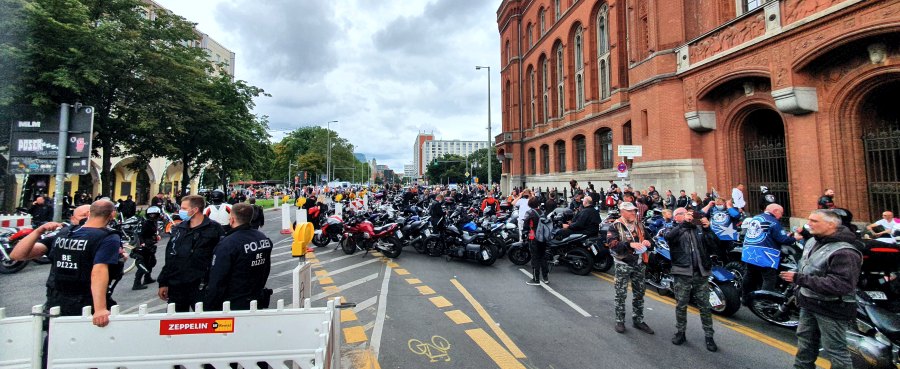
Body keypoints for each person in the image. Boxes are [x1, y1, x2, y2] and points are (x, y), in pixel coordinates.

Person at [11, 200, 122, 327]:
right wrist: (38, 231)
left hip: (58, 303)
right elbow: (17, 255)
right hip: (82, 302)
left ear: (90, 214)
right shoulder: (106, 237)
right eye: (81, 216)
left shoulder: (64, 234)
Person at [780, 210, 862, 369]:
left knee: (835, 350)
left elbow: (841, 285)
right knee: (805, 343)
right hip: (809, 302)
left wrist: (799, 279)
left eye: (814, 221)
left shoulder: (845, 251)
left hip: (831, 307)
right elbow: (806, 267)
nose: (808, 224)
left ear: (831, 225)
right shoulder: (812, 241)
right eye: (809, 220)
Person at [157, 195, 225, 312]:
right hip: (177, 285)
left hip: (201, 286)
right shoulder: (179, 229)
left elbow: (221, 258)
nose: (180, 211)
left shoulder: (214, 229)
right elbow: (170, 257)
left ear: (195, 210)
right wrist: (163, 282)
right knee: (176, 324)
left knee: (204, 324)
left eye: (184, 208)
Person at [664, 208, 719, 351]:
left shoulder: (700, 229)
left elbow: (714, 246)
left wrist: (708, 229)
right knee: (681, 305)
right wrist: (683, 225)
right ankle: (680, 332)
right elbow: (669, 238)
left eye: (691, 214)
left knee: (705, 306)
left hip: (701, 273)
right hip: (682, 273)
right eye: (685, 214)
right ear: (678, 217)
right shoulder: (674, 228)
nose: (689, 216)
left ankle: (709, 336)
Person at [204, 203, 273, 311]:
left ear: (231, 219)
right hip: (256, 296)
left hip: (234, 302)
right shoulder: (262, 238)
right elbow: (266, 268)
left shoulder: (228, 243)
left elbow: (218, 278)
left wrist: (209, 306)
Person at [607, 202, 654, 335]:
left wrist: (648, 242)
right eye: (630, 211)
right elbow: (612, 244)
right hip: (623, 264)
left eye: (634, 211)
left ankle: (638, 320)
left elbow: (651, 241)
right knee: (621, 294)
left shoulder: (639, 225)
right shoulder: (615, 226)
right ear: (622, 212)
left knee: (639, 294)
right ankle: (620, 321)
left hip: (639, 263)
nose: (633, 213)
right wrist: (630, 244)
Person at [740, 203, 796, 304]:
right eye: (781, 213)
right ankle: (765, 303)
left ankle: (745, 298)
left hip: (750, 252)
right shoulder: (773, 221)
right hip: (765, 255)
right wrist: (795, 238)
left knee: (749, 275)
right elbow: (783, 239)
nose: (781, 216)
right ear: (775, 211)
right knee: (769, 278)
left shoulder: (755, 218)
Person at [131, 206, 162, 290]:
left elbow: (152, 232)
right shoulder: (146, 223)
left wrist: (156, 236)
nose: (152, 216)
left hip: (151, 245)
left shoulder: (154, 222)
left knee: (151, 262)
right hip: (145, 246)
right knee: (143, 264)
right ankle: (136, 283)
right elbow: (141, 234)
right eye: (151, 215)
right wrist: (142, 243)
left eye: (154, 214)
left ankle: (147, 278)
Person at [523, 196, 548, 285]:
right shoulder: (543, 212)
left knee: (535, 258)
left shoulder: (529, 212)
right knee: (543, 257)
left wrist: (524, 233)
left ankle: (536, 279)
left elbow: (525, 225)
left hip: (534, 237)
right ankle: (545, 277)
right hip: (543, 237)